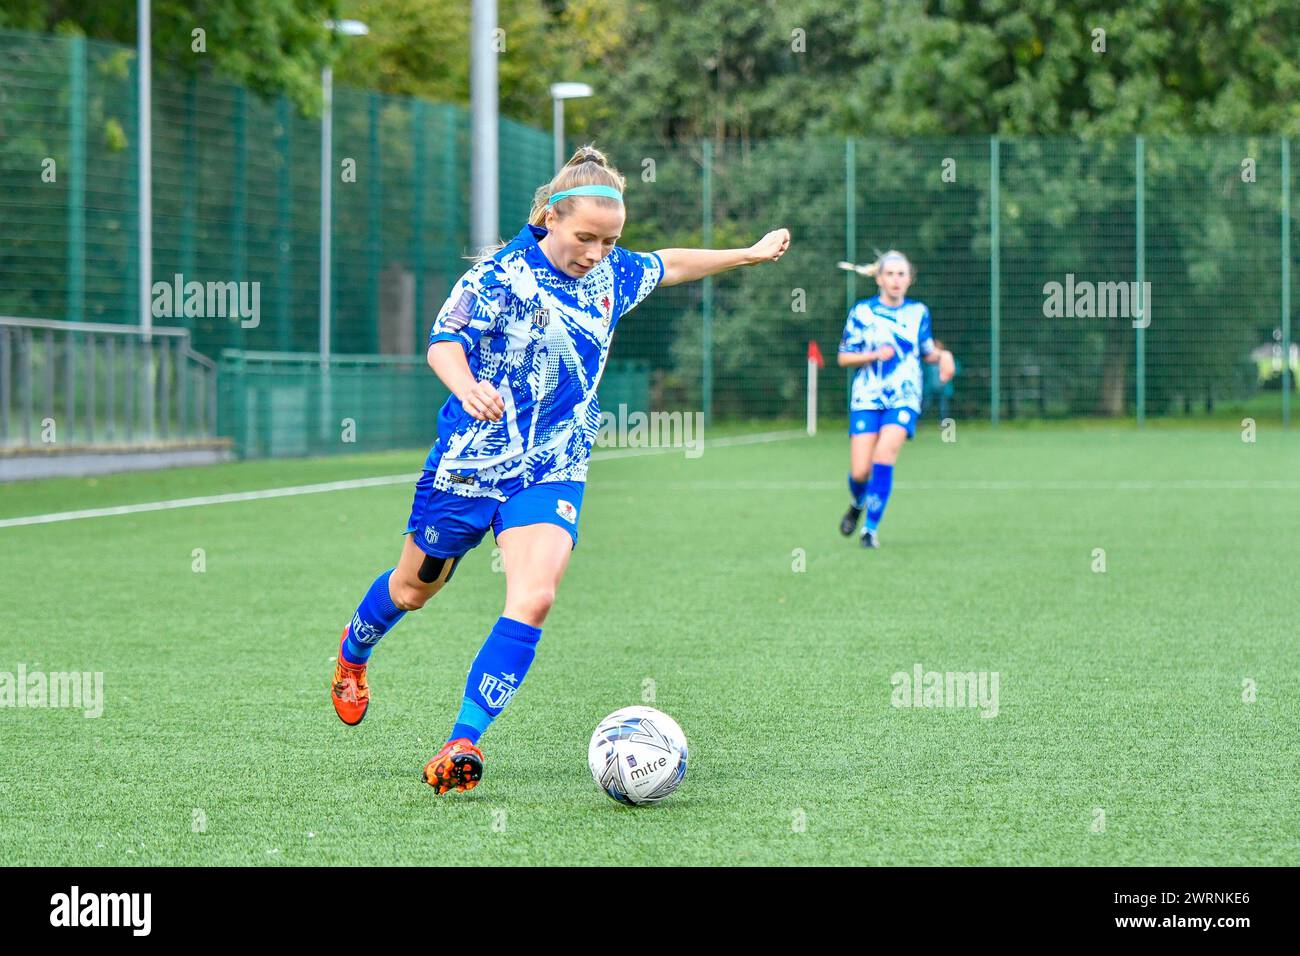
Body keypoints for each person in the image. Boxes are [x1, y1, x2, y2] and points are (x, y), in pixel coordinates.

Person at [329, 144, 791, 793]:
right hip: (470, 465)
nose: (597, 253)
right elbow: (444, 342)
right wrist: (465, 388)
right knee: (414, 589)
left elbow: (671, 264)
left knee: (535, 596)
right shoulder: (498, 276)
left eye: (609, 241)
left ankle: (462, 741)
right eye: (585, 238)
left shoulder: (612, 275)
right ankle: (354, 652)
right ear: (549, 217)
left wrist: (745, 254)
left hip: (553, 468)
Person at [836, 251, 954, 548]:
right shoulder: (862, 312)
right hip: (866, 397)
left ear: (910, 279)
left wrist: (944, 356)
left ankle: (870, 531)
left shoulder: (918, 312)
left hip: (904, 397)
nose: (896, 280)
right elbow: (844, 357)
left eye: (902, 274)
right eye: (890, 274)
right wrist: (873, 355)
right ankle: (858, 502)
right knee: (860, 471)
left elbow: (926, 351)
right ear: (879, 278)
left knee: (883, 457)